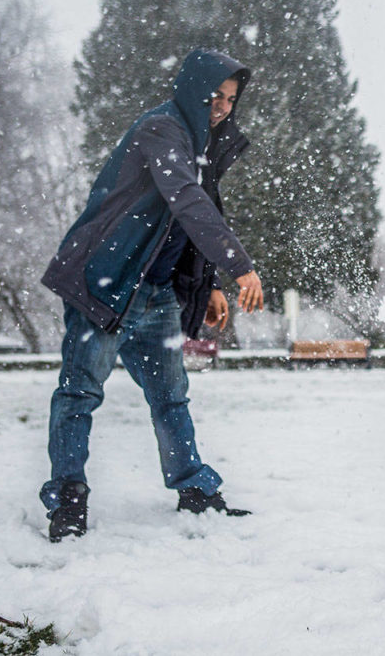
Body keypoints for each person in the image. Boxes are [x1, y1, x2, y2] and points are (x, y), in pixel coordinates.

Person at [39, 49, 265, 542]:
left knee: (171, 397)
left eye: (231, 99)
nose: (223, 107)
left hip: (155, 294)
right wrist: (240, 266)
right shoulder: (161, 129)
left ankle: (195, 490)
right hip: (107, 285)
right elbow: (186, 201)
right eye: (215, 96)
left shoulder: (200, 144)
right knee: (80, 394)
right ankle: (68, 501)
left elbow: (184, 221)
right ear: (192, 90)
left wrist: (206, 288)